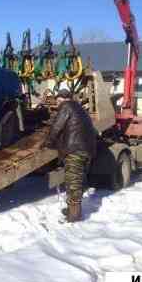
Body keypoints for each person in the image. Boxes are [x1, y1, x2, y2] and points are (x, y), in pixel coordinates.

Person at [43, 87, 97, 222]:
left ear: (61, 98)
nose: (57, 103)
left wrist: (48, 142)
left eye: (57, 100)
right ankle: (71, 209)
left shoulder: (66, 106)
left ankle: (74, 215)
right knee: (76, 180)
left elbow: (57, 126)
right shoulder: (79, 108)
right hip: (85, 149)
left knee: (73, 182)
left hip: (75, 150)